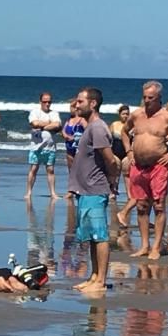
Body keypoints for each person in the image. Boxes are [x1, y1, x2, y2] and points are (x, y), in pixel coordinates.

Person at [121, 81, 168, 259]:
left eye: (150, 98)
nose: (146, 101)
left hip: (158, 166)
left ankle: (156, 247)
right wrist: (129, 151)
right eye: (144, 97)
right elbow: (124, 132)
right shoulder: (137, 115)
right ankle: (144, 245)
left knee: (159, 206)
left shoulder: (166, 117)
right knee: (141, 206)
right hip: (138, 165)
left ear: (159, 98)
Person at [68, 88, 118, 292]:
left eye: (80, 101)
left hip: (95, 190)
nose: (76, 105)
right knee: (89, 237)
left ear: (93, 103)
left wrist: (112, 182)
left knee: (100, 236)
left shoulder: (98, 128)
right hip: (84, 191)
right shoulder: (89, 127)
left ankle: (101, 281)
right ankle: (94, 276)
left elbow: (111, 160)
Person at [24, 92, 62, 199]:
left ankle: (53, 193)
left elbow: (57, 124)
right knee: (34, 169)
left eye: (49, 102)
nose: (47, 104)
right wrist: (49, 124)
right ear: (40, 102)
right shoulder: (35, 112)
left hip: (50, 147)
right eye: (45, 102)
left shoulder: (54, 113)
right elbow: (35, 123)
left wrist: (43, 126)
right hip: (36, 147)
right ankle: (29, 192)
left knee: (50, 170)